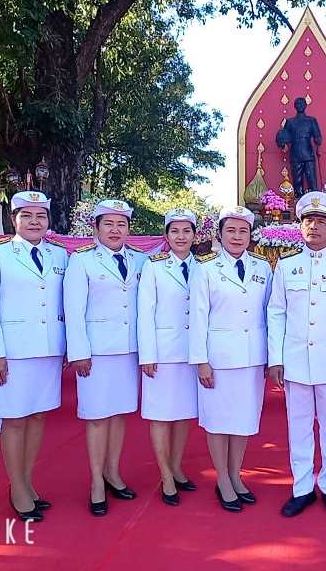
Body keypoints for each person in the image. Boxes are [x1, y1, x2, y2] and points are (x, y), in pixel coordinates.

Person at [267, 191, 326, 518]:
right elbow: (276, 312)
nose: (314, 227)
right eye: (309, 220)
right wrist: (276, 359)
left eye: (321, 221)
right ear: (300, 226)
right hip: (294, 360)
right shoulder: (286, 265)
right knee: (299, 426)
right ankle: (302, 487)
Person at [0, 191, 68, 522]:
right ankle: (17, 489)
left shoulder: (59, 255)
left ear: (48, 220)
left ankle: (27, 482)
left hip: (48, 351)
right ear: (13, 220)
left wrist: (68, 347)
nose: (34, 221)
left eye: (40, 216)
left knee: (38, 416)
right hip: (12, 354)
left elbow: (65, 303)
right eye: (26, 215)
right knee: (14, 420)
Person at [64, 199, 148, 516]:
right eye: (109, 224)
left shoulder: (140, 260)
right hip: (96, 353)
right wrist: (79, 352)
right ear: (96, 228)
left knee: (119, 414)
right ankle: (96, 481)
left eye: (121, 224)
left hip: (128, 351)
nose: (115, 230)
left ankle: (113, 473)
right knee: (98, 417)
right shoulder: (82, 261)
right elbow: (73, 310)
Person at [189, 205, 272, 513]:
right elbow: (197, 317)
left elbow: (270, 313)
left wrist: (271, 356)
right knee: (218, 420)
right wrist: (201, 360)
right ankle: (222, 477)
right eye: (231, 230)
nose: (237, 236)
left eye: (243, 231)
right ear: (220, 235)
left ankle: (236, 474)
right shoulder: (206, 268)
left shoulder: (262, 267)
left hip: (252, 357)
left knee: (243, 419)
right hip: (218, 358)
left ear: (250, 235)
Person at [137, 208, 199, 507]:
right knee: (161, 414)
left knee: (184, 413)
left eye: (187, 231)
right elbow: (145, 312)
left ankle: (176, 467)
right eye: (175, 231)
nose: (181, 236)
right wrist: (147, 354)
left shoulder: (204, 266)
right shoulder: (154, 266)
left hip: (192, 352)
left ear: (195, 235)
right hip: (162, 352)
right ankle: (165, 475)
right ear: (166, 235)